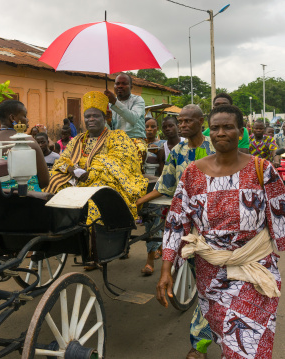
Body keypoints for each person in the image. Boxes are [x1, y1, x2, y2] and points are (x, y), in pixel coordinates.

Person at [157, 104, 285, 359]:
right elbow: (176, 221)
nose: (221, 132)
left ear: (241, 132)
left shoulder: (263, 170)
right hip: (210, 276)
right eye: (215, 128)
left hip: (254, 269)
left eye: (228, 127)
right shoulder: (192, 174)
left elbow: (281, 220)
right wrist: (165, 269)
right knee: (229, 341)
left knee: (249, 347)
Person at [136, 104, 216, 359]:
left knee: (217, 287)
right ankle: (201, 345)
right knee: (206, 287)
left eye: (187, 121)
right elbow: (165, 186)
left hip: (219, 228)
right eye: (180, 121)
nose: (182, 126)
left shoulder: (216, 149)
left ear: (201, 122)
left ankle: (205, 344)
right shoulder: (178, 152)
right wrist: (139, 201)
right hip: (189, 230)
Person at [45, 91, 148, 223]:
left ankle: (91, 238)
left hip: (101, 179)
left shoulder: (117, 137)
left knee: (97, 199)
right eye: (87, 116)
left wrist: (91, 173)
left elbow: (118, 161)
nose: (91, 119)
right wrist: (71, 170)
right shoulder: (78, 139)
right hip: (74, 178)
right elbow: (61, 160)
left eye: (95, 116)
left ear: (104, 118)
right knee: (50, 185)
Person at [0, 100, 49, 191]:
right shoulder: (28, 142)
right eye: (24, 116)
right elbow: (44, 181)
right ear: (13, 118)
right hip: (26, 199)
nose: (27, 119)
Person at [141, 118, 166, 275]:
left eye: (152, 127)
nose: (149, 129)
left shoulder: (161, 145)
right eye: (147, 127)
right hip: (141, 188)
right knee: (148, 222)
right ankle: (159, 248)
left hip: (155, 188)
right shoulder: (138, 144)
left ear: (157, 129)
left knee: (153, 223)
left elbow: (163, 169)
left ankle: (150, 262)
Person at [104, 73, 146, 164]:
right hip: (116, 142)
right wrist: (109, 122)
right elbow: (108, 130)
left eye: (124, 84)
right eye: (117, 83)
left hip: (135, 140)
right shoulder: (109, 103)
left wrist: (115, 102)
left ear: (131, 86)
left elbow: (133, 118)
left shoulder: (138, 100)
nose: (120, 86)